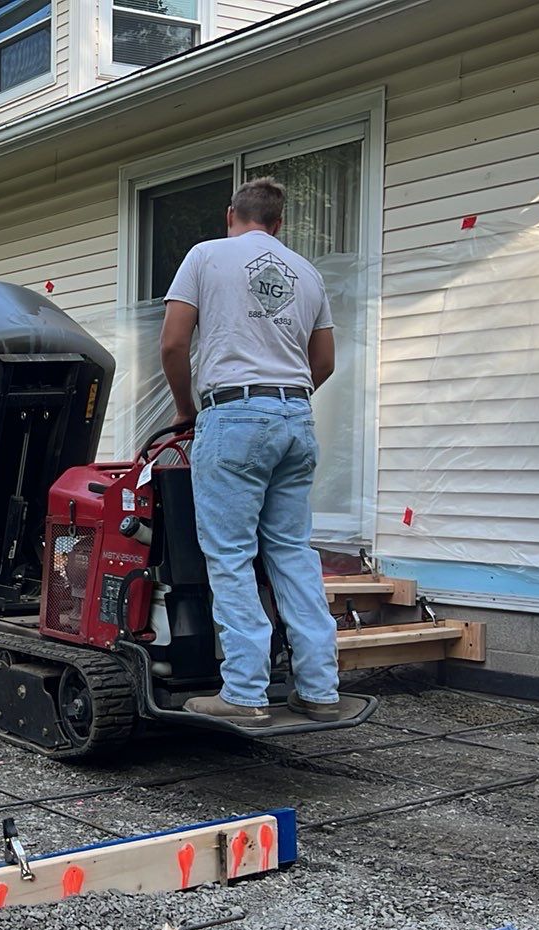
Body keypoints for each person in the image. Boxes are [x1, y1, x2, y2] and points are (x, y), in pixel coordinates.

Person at [160, 176, 354, 728]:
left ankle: (244, 692)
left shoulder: (205, 256)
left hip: (233, 414)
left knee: (230, 554)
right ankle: (319, 688)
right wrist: (282, 398)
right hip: (295, 417)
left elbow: (174, 343)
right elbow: (325, 362)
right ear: (279, 224)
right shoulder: (307, 273)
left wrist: (186, 408)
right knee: (292, 553)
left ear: (230, 216)